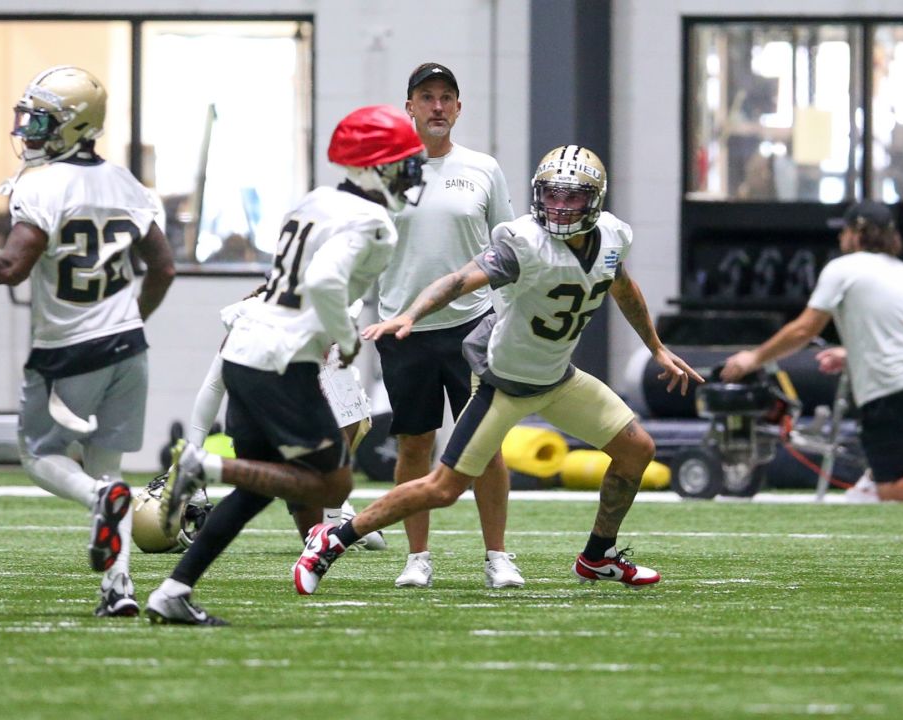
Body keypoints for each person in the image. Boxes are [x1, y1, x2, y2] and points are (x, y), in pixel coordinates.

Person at [291, 145, 705, 595]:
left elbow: (620, 284)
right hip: (502, 385)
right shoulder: (524, 242)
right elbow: (459, 280)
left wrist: (656, 347)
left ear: (595, 200)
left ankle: (597, 555)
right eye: (552, 196)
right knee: (444, 488)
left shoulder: (610, 237)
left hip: (559, 379)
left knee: (636, 450)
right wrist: (411, 314)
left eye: (572, 197)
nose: (560, 207)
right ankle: (333, 540)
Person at [145, 104, 427, 625]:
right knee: (334, 484)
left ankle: (172, 591)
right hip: (282, 362)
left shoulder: (315, 202)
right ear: (373, 166)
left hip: (246, 350)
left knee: (259, 485)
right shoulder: (373, 222)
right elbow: (323, 282)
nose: (412, 171)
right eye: (402, 161)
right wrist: (345, 339)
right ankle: (202, 466)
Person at [0, 65, 176, 617]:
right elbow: (163, 268)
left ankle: (99, 503)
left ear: (75, 124)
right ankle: (118, 588)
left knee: (40, 455)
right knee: (109, 468)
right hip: (128, 348)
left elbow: (8, 267)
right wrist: (130, 320)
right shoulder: (126, 183)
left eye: (42, 118)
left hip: (69, 348)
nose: (29, 128)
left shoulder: (42, 184)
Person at [719, 200, 903, 503]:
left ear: (856, 233)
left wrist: (754, 357)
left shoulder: (843, 269)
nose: (839, 238)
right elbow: (899, 330)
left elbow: (805, 329)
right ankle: (872, 481)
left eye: (843, 231)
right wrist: (849, 353)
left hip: (894, 386)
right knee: (884, 458)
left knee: (892, 487)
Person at [375, 62, 520, 589]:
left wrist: (511, 317)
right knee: (415, 443)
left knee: (485, 446)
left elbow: (508, 247)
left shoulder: (483, 168)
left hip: (473, 329)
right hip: (402, 330)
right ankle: (417, 557)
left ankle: (498, 556)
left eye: (446, 98)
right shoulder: (387, 170)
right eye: (426, 97)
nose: (437, 106)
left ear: (458, 108)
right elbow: (365, 250)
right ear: (409, 106)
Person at [178, 284, 387, 550]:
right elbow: (214, 385)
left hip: (289, 427)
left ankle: (332, 521)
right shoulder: (257, 323)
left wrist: (335, 502)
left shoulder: (331, 354)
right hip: (262, 417)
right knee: (257, 492)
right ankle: (201, 468)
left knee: (348, 414)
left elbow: (345, 429)